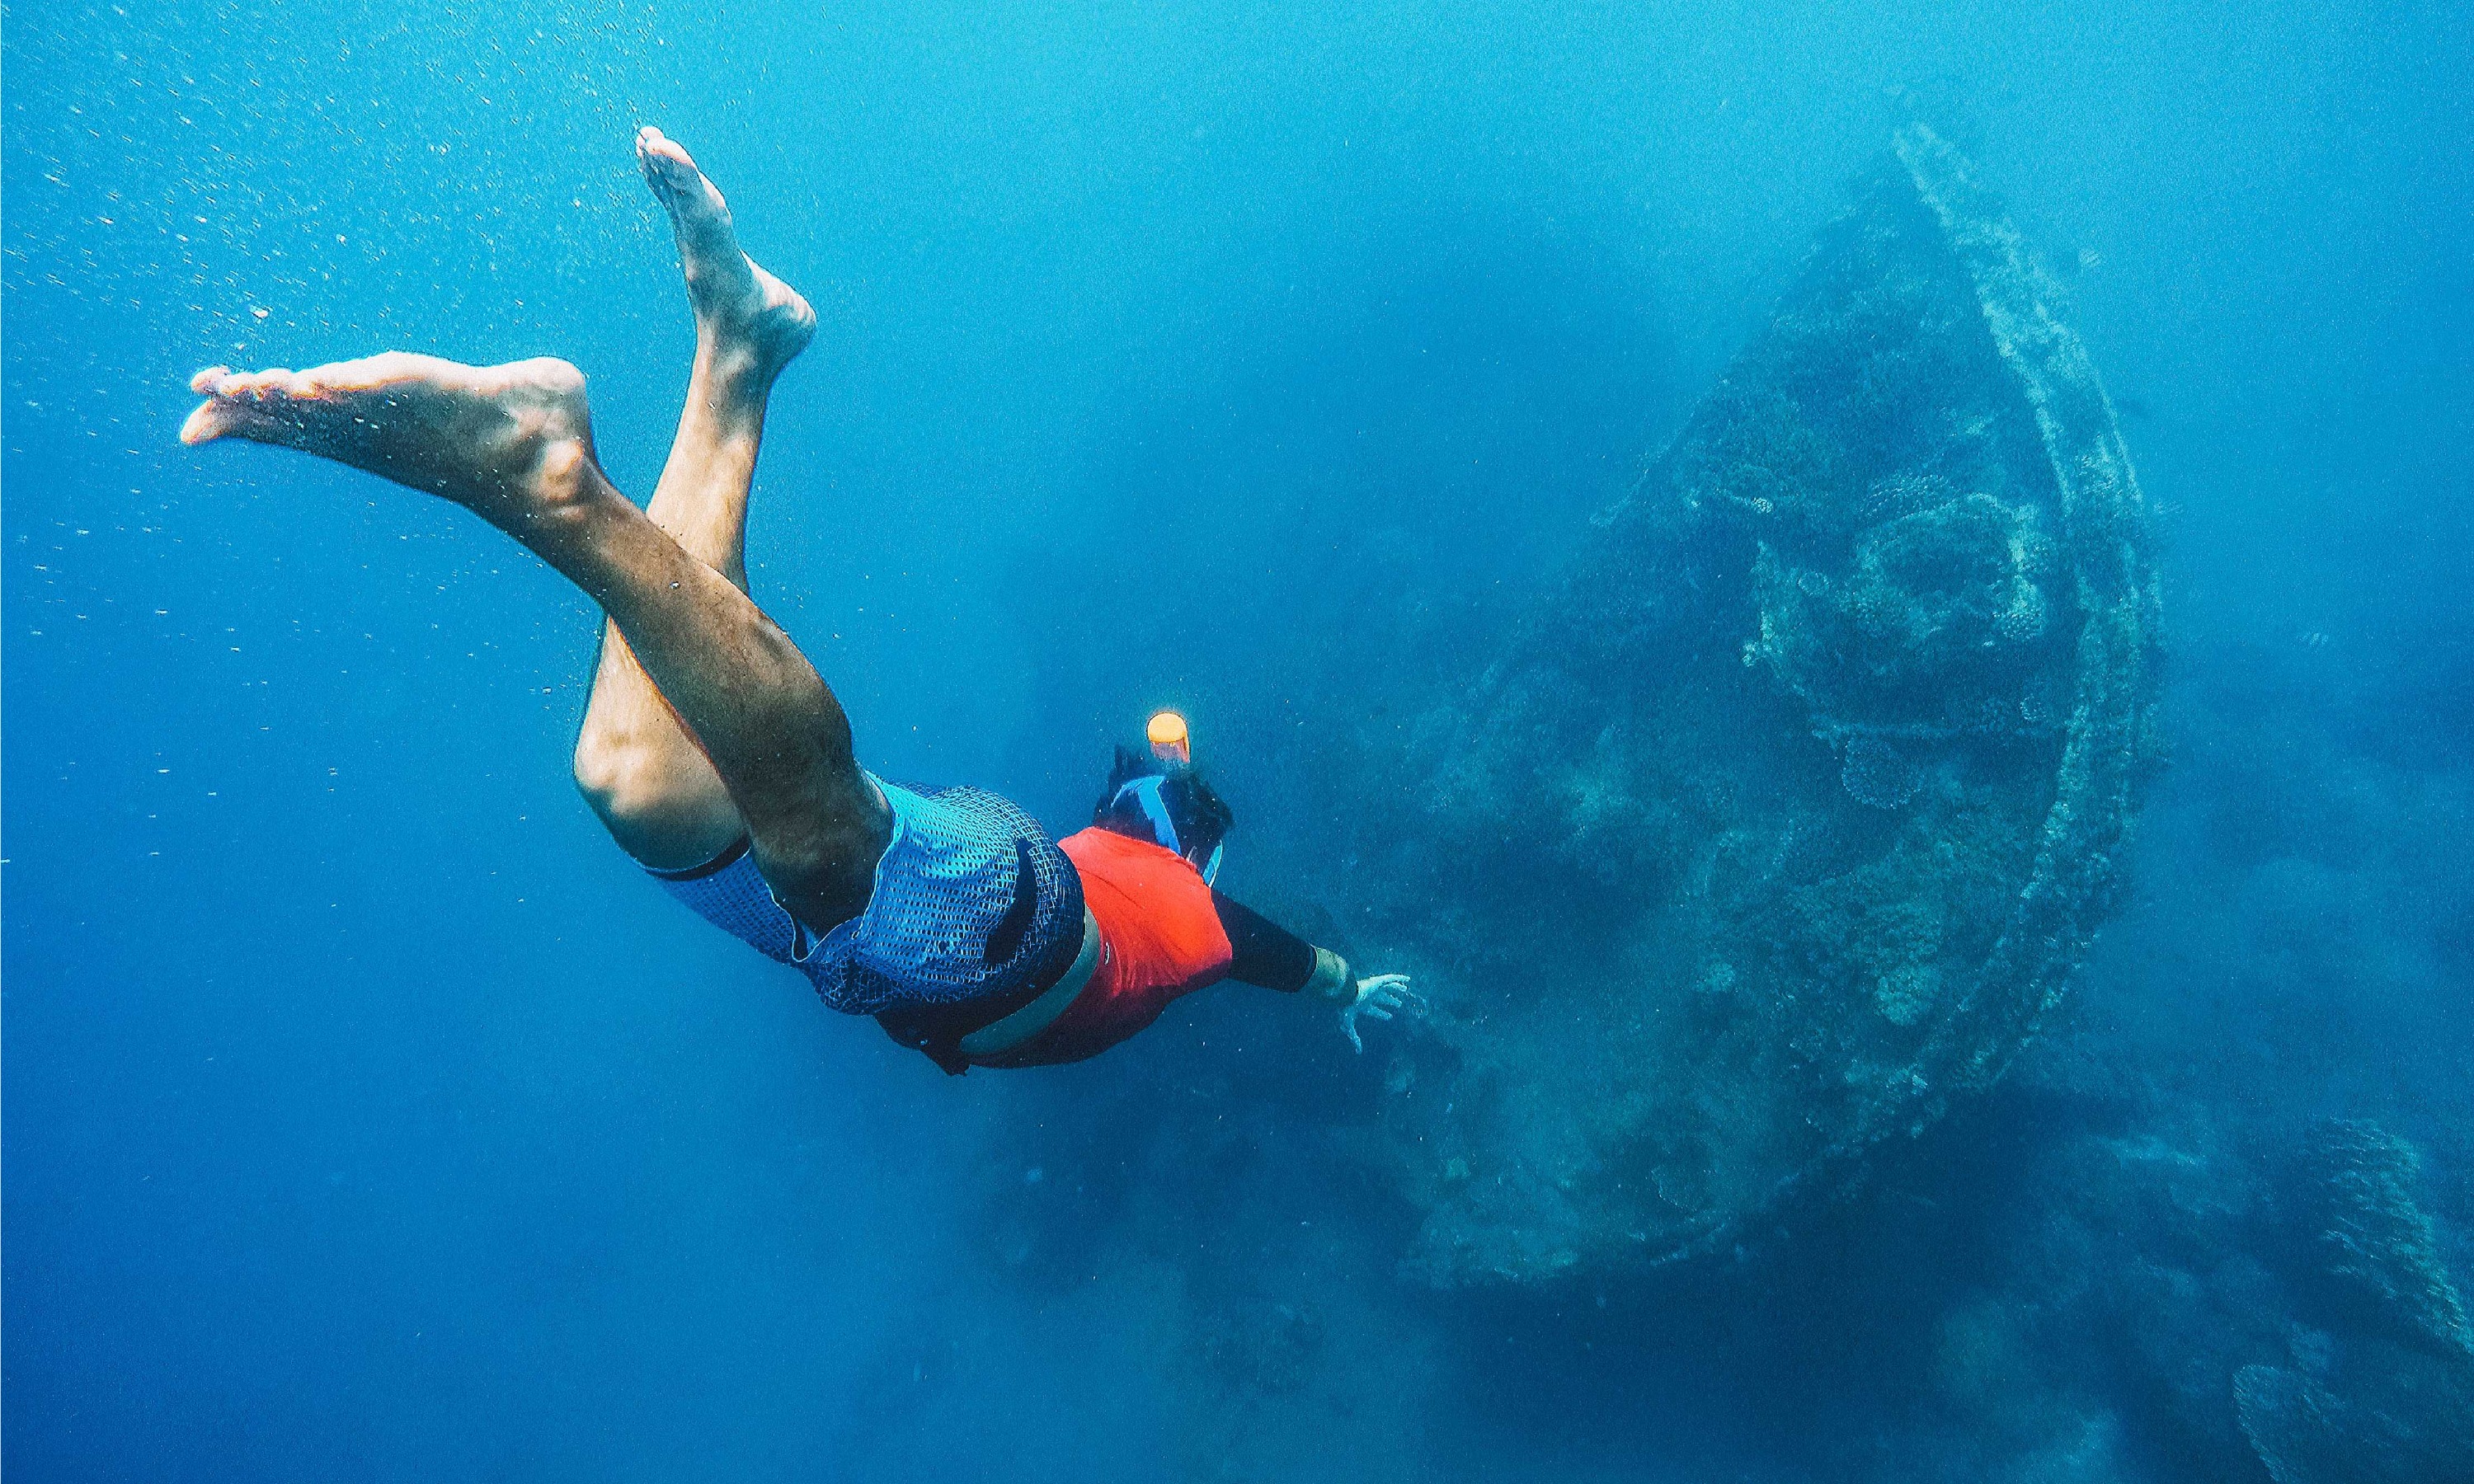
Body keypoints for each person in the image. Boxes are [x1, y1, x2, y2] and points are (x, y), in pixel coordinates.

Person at [180, 127, 1422, 1074]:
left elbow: (1200, 871)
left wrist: (1309, 950)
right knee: (834, 849)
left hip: (936, 914)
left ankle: (739, 348)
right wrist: (1344, 984)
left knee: (632, 781)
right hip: (1008, 939)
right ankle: (540, 487)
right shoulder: (1186, 912)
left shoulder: (1137, 849)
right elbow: (1259, 946)